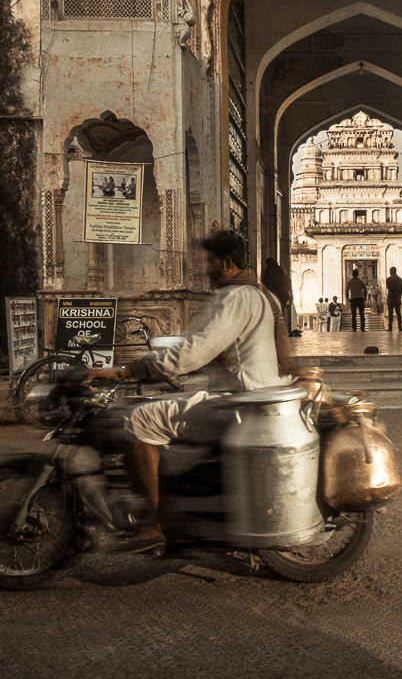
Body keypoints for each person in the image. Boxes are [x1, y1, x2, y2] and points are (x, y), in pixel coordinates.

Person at [86, 230, 291, 555]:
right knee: (161, 408)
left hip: (237, 404)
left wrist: (129, 371)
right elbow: (210, 347)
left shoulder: (237, 297)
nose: (206, 269)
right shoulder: (258, 294)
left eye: (210, 261)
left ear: (226, 261)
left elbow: (197, 349)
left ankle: (154, 525)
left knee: (138, 420)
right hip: (253, 397)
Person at [261, 257, 293, 335]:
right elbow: (288, 282)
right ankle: (279, 331)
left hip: (273, 295)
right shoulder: (281, 271)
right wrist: (290, 296)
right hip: (282, 295)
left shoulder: (268, 272)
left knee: (272, 314)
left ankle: (274, 331)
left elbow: (264, 283)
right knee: (280, 313)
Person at [385, 266, 402, 331]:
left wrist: (393, 293)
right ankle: (400, 327)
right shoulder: (400, 279)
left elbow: (388, 287)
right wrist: (398, 294)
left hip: (391, 298)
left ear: (391, 271)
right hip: (397, 298)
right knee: (398, 313)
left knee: (390, 313)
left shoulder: (388, 279)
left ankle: (390, 327)